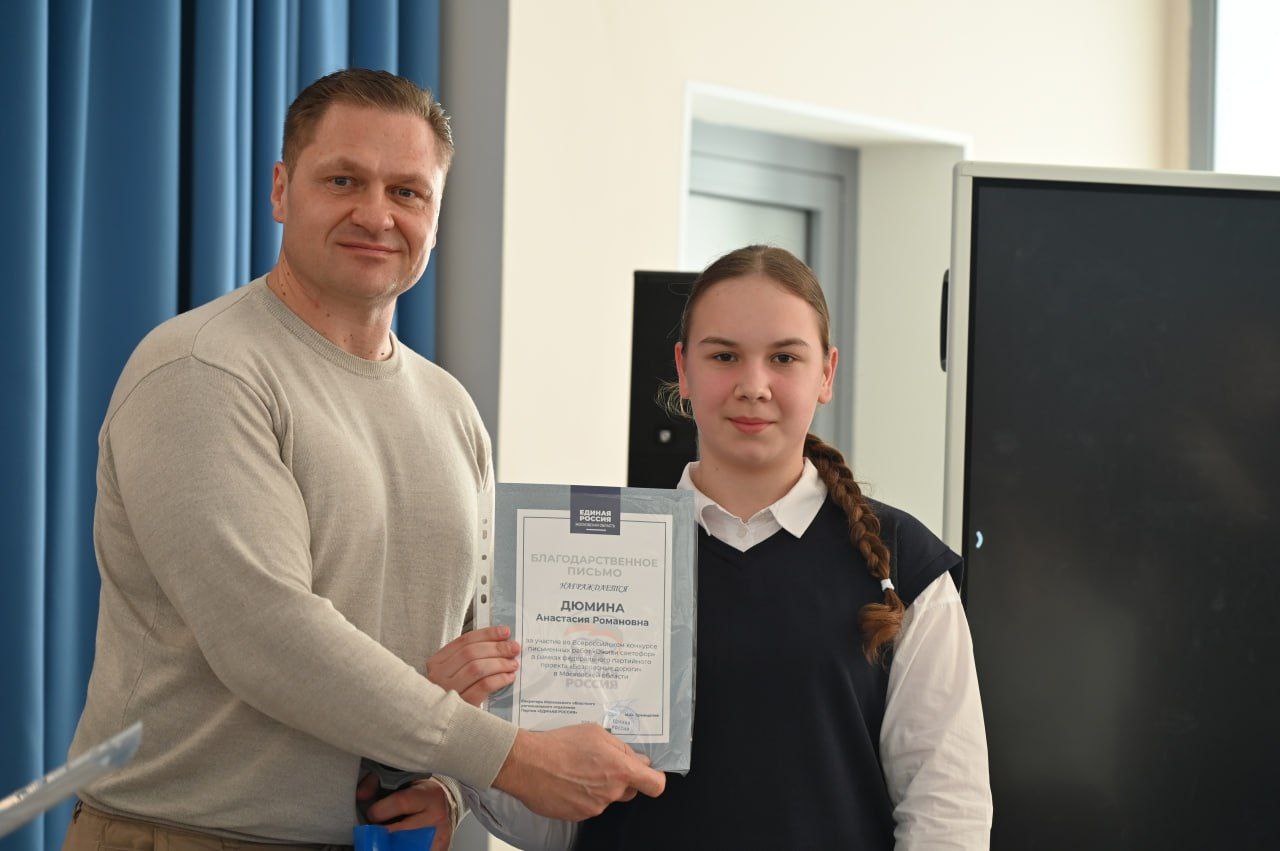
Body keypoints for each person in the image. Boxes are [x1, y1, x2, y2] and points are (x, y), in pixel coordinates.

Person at [62, 69, 663, 851]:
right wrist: (511, 758)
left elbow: (472, 656)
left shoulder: (452, 410)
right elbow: (268, 636)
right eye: (343, 180)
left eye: (408, 192)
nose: (376, 214)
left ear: (435, 217)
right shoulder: (203, 369)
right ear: (281, 190)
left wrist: (450, 787)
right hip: (185, 833)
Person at [437, 245, 993, 849]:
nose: (753, 386)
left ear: (827, 373)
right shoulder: (596, 560)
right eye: (724, 356)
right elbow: (549, 827)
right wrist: (472, 723)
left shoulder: (903, 567)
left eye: (784, 357)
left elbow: (947, 815)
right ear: (683, 369)